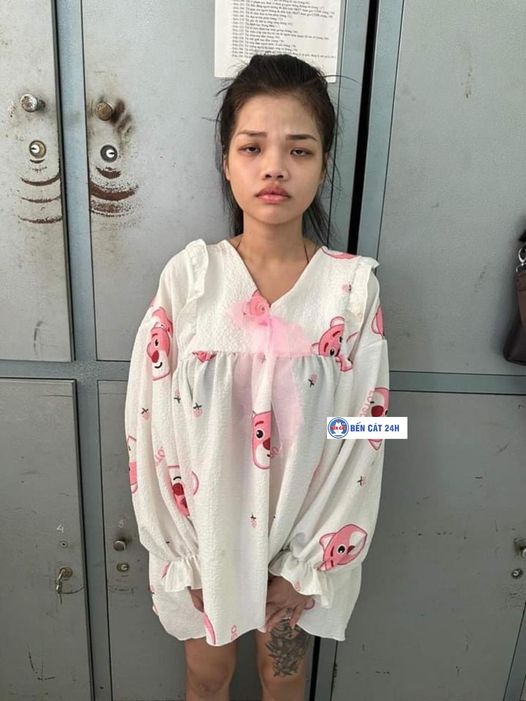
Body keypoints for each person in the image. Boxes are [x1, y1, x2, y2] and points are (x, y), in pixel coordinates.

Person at [125, 53, 389, 701]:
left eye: (299, 150)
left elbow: (369, 428)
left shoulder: (352, 290)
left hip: (302, 532)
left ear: (323, 163)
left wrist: (310, 560)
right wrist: (182, 551)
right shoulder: (191, 279)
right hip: (205, 536)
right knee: (207, 674)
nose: (275, 167)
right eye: (253, 147)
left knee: (284, 675)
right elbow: (148, 419)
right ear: (226, 160)